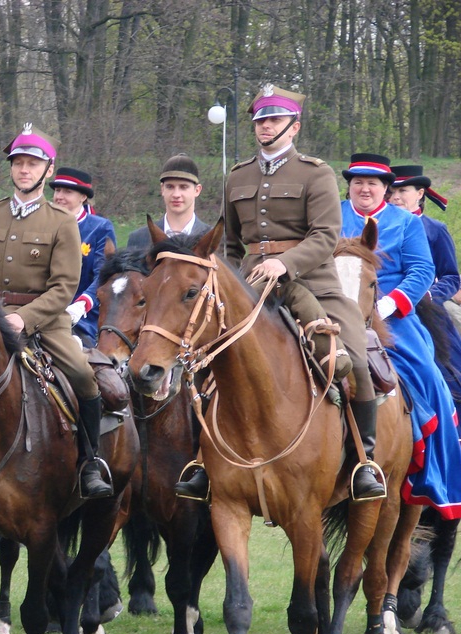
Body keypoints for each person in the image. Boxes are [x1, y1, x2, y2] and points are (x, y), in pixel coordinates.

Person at [177, 85, 386, 503]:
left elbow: (326, 236)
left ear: (295, 126)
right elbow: (231, 243)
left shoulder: (316, 173)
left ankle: (365, 459)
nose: (265, 126)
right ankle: (201, 459)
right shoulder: (237, 175)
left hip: (314, 284)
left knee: (358, 358)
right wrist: (234, 282)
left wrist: (285, 264)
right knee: (200, 358)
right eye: (260, 120)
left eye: (274, 119)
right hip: (253, 288)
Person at [0, 123, 114, 500]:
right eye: (18, 163)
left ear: (48, 171)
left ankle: (90, 462)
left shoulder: (62, 222)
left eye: (32, 164)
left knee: (83, 377)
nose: (23, 170)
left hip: (44, 322)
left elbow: (63, 287)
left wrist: (24, 318)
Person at [341, 154, 461, 519]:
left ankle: (435, 469)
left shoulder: (406, 223)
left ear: (385, 188)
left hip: (391, 312)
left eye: (372, 183)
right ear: (349, 185)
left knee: (428, 374)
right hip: (333, 307)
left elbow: (423, 269)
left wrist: (389, 306)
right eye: (358, 181)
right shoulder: (331, 214)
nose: (364, 188)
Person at [388, 164, 461, 400]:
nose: (396, 197)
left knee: (449, 363)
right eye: (391, 191)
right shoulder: (376, 225)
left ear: (420, 194)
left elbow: (451, 276)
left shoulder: (435, 229)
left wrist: (430, 295)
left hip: (425, 305)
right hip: (380, 303)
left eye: (403, 191)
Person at [48, 167, 117, 347]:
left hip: (83, 318)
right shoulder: (43, 223)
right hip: (42, 310)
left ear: (83, 197)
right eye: (57, 190)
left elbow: (103, 274)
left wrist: (82, 304)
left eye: (68, 192)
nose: (60, 196)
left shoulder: (100, 228)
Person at [126, 154, 211, 249]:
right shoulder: (139, 239)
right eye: (170, 187)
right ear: (162, 189)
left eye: (183, 187)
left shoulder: (212, 239)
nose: (176, 194)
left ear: (197, 190)